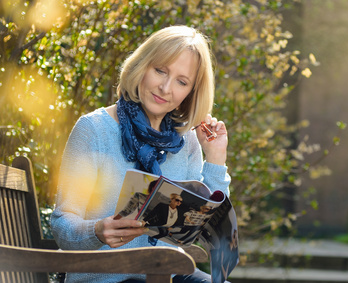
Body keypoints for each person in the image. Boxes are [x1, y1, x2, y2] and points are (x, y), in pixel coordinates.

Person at [51, 25, 231, 283]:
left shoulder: (187, 141)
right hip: (104, 277)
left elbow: (208, 228)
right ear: (142, 66)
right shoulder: (94, 130)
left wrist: (216, 156)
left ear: (190, 93)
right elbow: (60, 225)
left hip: (167, 272)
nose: (166, 87)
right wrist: (97, 231)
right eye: (160, 70)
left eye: (181, 82)